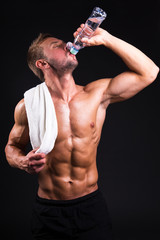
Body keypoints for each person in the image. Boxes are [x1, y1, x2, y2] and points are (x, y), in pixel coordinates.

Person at [5, 24, 159, 240]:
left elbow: (149, 72)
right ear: (43, 63)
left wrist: (107, 38)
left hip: (90, 207)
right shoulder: (29, 105)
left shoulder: (97, 94)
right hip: (49, 212)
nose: (68, 45)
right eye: (57, 45)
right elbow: (12, 147)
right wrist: (22, 162)